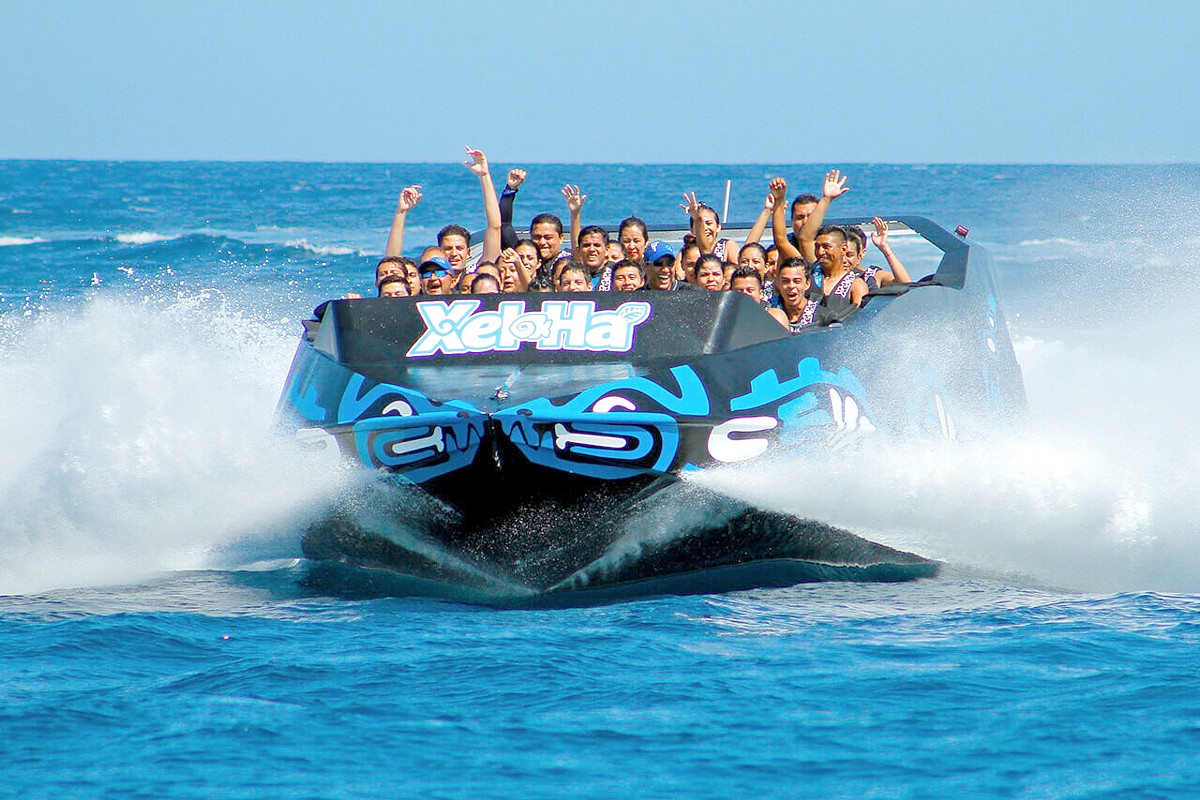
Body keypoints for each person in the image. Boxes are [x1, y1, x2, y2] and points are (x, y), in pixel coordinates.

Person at [843, 218, 912, 288]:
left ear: (860, 254)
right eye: (840, 255)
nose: (843, 260)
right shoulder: (832, 279)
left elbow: (905, 284)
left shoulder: (872, 276)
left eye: (849, 255)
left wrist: (884, 247)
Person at [768, 259, 832, 332]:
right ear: (778, 284)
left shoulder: (825, 317)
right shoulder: (768, 314)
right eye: (785, 281)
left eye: (797, 281)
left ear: (807, 284)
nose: (791, 286)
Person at [681, 193, 741, 263]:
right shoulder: (687, 250)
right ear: (691, 230)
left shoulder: (728, 246)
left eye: (708, 223)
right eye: (700, 224)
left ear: (718, 227)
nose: (705, 228)